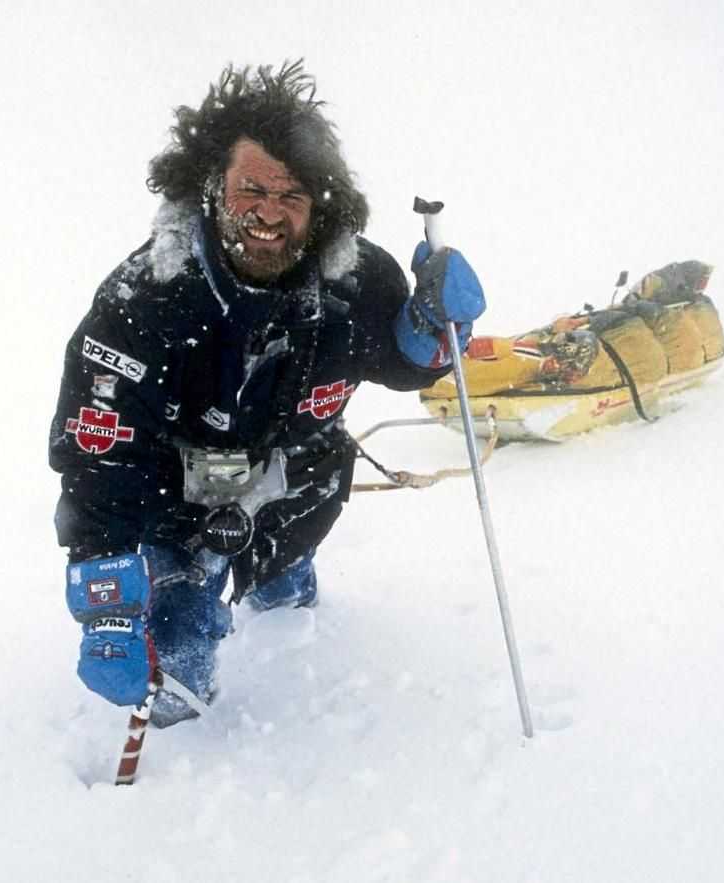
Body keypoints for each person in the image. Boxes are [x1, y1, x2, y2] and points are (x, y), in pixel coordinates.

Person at [51, 61, 485, 727]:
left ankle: (281, 588)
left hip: (295, 493)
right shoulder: (143, 300)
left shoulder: (355, 280)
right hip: (175, 511)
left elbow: (398, 360)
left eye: (293, 197)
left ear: (322, 206)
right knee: (175, 683)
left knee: (285, 600)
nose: (269, 214)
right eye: (251, 188)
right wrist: (107, 599)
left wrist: (429, 333)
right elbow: (100, 454)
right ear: (211, 184)